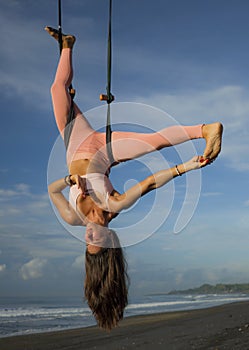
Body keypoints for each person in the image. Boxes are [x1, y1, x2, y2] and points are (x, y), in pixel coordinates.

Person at [46, 27, 223, 330]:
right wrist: (186, 167)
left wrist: (68, 179)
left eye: (87, 243)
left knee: (57, 90)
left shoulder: (74, 219)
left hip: (73, 139)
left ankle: (67, 45)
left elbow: (52, 192)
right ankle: (205, 129)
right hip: (104, 149)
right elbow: (151, 182)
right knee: (153, 142)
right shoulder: (115, 204)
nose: (88, 236)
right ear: (108, 240)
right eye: (96, 241)